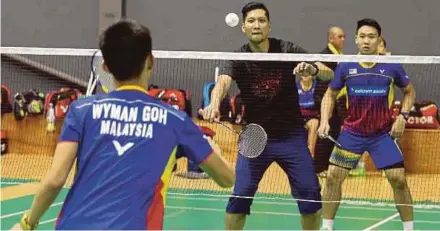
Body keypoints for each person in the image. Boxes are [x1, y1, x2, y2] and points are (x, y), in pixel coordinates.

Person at [14, 20, 235, 230]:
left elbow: (55, 180)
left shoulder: (81, 110)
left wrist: (27, 223)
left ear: (105, 66)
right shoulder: (175, 119)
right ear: (151, 61)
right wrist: (213, 148)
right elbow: (227, 179)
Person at [199, 2, 334, 230]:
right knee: (240, 197)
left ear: (269, 26)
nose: (256, 25)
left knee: (310, 197)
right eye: (251, 21)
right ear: (243, 27)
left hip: (290, 136)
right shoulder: (237, 58)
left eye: (261, 21)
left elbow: (328, 73)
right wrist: (214, 104)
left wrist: (312, 70)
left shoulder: (287, 49)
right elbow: (222, 82)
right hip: (255, 137)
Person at [318, 18, 416, 231]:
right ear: (356, 39)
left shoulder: (392, 66)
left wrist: (403, 116)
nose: (366, 41)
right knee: (333, 177)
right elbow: (330, 94)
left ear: (378, 40)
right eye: (362, 36)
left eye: (371, 37)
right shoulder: (346, 65)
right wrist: (324, 120)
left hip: (381, 134)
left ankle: (409, 228)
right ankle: (327, 226)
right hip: (352, 133)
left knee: (398, 179)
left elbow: (409, 92)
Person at [314, 26, 346, 177]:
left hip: (338, 101)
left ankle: (328, 165)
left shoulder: (339, 55)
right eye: (340, 37)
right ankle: (319, 168)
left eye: (343, 36)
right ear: (331, 38)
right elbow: (322, 82)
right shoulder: (326, 56)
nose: (343, 39)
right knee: (325, 132)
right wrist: (327, 105)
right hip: (326, 101)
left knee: (334, 132)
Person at [297, 74, 320, 157]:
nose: (305, 74)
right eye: (303, 72)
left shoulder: (317, 86)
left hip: (312, 117)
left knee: (314, 124)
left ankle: (310, 155)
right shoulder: (295, 86)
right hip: (298, 118)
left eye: (308, 72)